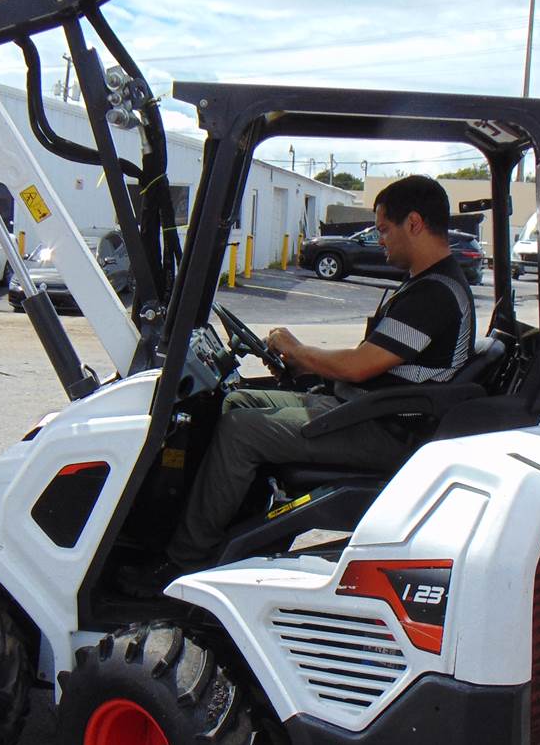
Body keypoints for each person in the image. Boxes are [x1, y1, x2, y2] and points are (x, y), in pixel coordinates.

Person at [157, 174, 476, 575]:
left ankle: (184, 561)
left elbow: (361, 364)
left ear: (413, 223)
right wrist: (304, 362)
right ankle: (231, 534)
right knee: (234, 400)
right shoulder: (426, 285)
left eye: (383, 230)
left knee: (241, 430)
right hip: (365, 409)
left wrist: (297, 349)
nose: (380, 240)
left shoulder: (436, 294)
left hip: (385, 428)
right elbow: (371, 362)